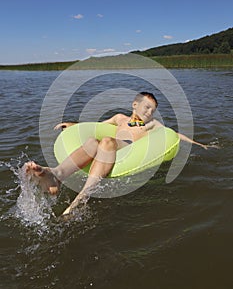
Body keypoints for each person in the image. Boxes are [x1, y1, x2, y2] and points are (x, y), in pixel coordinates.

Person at [23, 92, 213, 216]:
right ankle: (56, 174)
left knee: (106, 141)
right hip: (112, 145)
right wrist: (71, 125)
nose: (149, 112)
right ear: (135, 105)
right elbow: (95, 126)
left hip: (130, 148)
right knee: (92, 141)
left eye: (153, 110)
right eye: (146, 107)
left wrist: (199, 143)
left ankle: (81, 197)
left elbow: (172, 134)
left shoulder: (152, 125)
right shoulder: (119, 118)